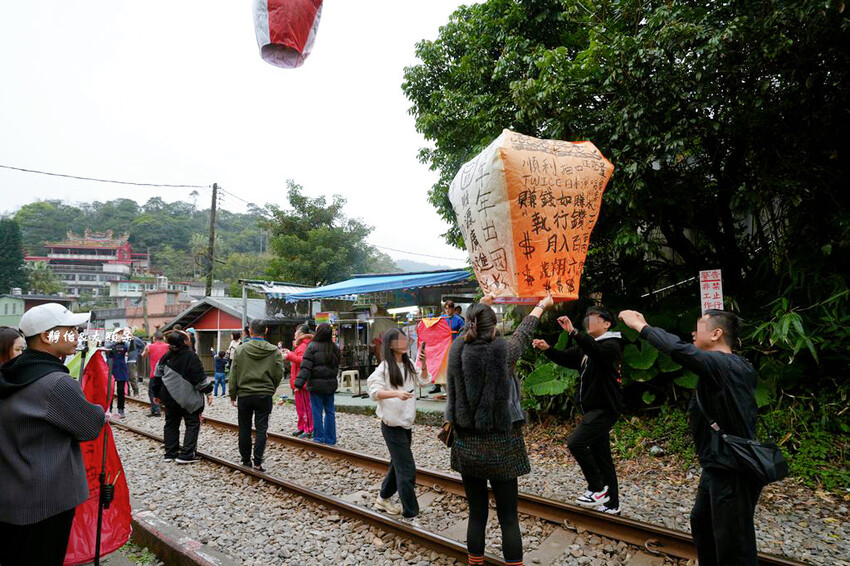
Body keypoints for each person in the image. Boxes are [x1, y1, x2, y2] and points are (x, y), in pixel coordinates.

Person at [619, 309, 761, 566]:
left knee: (734, 543)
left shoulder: (725, 364)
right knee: (703, 523)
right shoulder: (719, 368)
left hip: (732, 469)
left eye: (699, 327)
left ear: (717, 333)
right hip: (716, 464)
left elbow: (680, 350)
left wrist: (641, 326)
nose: (693, 333)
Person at [446, 292, 553, 566]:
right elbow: (524, 332)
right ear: (494, 328)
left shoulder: (457, 351)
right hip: (503, 445)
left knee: (477, 512)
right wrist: (541, 305)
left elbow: (476, 325)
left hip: (467, 445)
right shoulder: (504, 352)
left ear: (469, 323)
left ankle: (475, 563)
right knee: (508, 517)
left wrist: (484, 305)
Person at [0, 303, 105, 565]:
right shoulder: (56, 382)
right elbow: (90, 426)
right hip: (48, 499)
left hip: (10, 492)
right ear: (47, 336)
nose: (77, 336)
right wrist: (100, 411)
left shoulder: (10, 374)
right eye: (70, 330)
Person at [532, 307, 624, 514]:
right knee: (602, 456)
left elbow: (597, 353)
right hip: (592, 409)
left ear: (606, 324)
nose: (588, 322)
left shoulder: (612, 345)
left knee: (576, 443)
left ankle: (597, 488)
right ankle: (612, 504)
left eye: (593, 318)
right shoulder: (587, 347)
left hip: (605, 408)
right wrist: (547, 349)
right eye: (586, 318)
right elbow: (566, 358)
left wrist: (573, 332)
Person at [368, 328, 430, 521]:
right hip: (391, 426)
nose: (405, 342)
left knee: (398, 466)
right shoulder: (384, 368)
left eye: (405, 339)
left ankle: (383, 498)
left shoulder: (409, 363)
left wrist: (424, 363)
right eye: (400, 340)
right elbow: (374, 392)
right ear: (391, 345)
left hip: (405, 425)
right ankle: (410, 513)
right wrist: (396, 393)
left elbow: (424, 381)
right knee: (407, 469)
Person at [229, 319, 284, 472]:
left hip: (245, 394)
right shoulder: (273, 350)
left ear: (250, 331)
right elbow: (279, 372)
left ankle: (245, 460)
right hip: (264, 394)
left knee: (244, 428)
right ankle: (258, 461)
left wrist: (232, 394)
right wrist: (272, 387)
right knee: (261, 428)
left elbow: (234, 374)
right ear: (266, 330)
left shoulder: (240, 350)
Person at [151, 330, 211, 464]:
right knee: (192, 423)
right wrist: (208, 392)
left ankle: (170, 453)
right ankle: (186, 455)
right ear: (184, 342)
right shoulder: (191, 356)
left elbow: (157, 376)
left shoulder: (165, 356)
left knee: (171, 423)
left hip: (169, 397)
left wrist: (156, 394)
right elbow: (199, 377)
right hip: (187, 398)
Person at [295, 323, 339, 445]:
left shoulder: (312, 347)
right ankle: (331, 439)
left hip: (315, 385)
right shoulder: (334, 348)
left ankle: (319, 438)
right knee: (330, 411)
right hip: (330, 385)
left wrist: (298, 384)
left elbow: (305, 368)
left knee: (317, 411)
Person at [282, 324, 314, 438]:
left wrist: (289, 355)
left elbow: (302, 361)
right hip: (299, 380)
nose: (294, 334)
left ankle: (309, 429)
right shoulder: (302, 345)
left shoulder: (304, 345)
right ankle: (302, 427)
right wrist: (290, 353)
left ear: (301, 333)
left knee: (305, 406)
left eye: (296, 332)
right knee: (301, 407)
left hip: (302, 381)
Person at [429, 300, 466, 394]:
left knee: (454, 367)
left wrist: (458, 341)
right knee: (442, 369)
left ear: (453, 309)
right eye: (446, 309)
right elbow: (434, 328)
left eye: (449, 308)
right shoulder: (441, 318)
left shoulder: (458, 319)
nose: (447, 311)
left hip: (454, 347)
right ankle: (446, 389)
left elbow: (464, 330)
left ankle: (456, 389)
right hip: (442, 347)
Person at [141, 331, 168, 416]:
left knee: (152, 392)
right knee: (164, 391)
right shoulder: (168, 346)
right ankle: (165, 408)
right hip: (166, 374)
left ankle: (156, 410)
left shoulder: (150, 347)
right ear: (163, 338)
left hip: (155, 374)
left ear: (154, 338)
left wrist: (145, 349)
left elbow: (143, 356)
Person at [108, 336, 130, 418]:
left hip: (121, 368)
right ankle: (108, 409)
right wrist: (116, 342)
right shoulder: (110, 342)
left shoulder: (125, 344)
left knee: (120, 390)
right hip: (111, 367)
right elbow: (107, 347)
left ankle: (121, 409)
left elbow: (131, 348)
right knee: (110, 390)